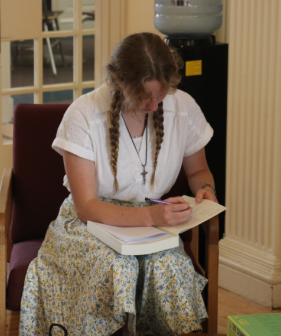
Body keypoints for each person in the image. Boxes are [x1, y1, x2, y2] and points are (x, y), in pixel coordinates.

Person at [19, 32, 218, 336]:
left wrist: (206, 189)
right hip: (88, 224)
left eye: (160, 95)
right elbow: (86, 207)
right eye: (143, 97)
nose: (153, 105)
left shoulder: (184, 108)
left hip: (151, 224)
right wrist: (150, 216)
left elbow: (199, 171)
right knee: (116, 268)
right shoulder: (83, 116)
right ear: (117, 82)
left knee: (171, 269)